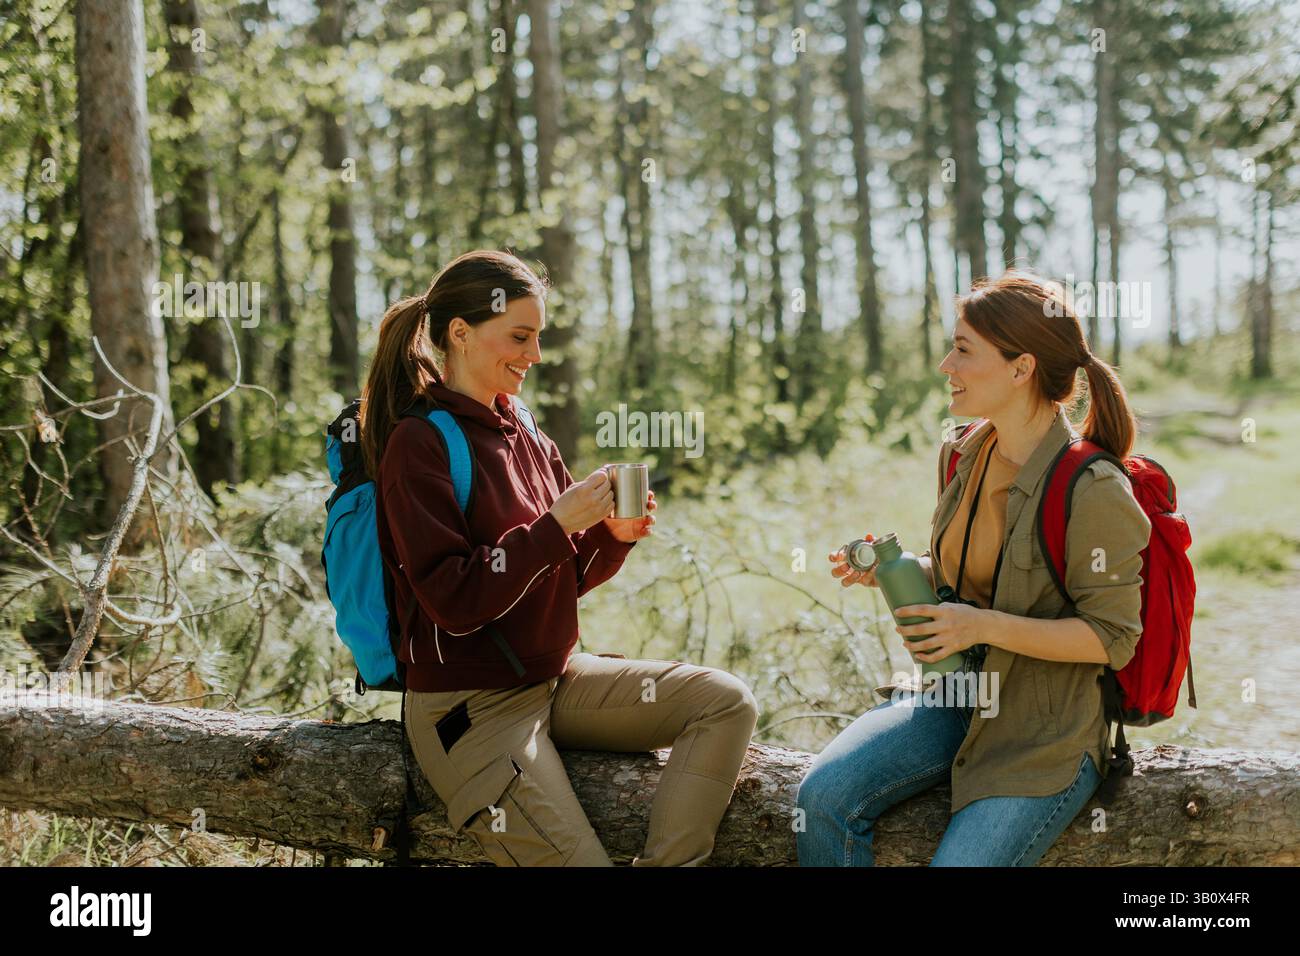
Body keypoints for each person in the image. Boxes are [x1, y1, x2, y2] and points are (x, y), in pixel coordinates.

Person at [364, 249, 758, 866]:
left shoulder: (523, 429)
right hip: (471, 710)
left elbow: (561, 576)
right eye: (520, 336)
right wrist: (556, 526)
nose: (536, 355)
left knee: (724, 701)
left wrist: (611, 536)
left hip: (555, 680)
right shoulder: (420, 442)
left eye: (538, 337)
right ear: (460, 333)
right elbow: (453, 602)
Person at [796, 271, 1152, 866]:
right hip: (956, 695)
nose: (945, 365)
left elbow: (1113, 637)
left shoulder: (1092, 486)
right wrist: (900, 569)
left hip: (1044, 735)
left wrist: (981, 628)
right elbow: (970, 575)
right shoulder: (962, 454)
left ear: (1022, 368)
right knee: (821, 799)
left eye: (963, 349)